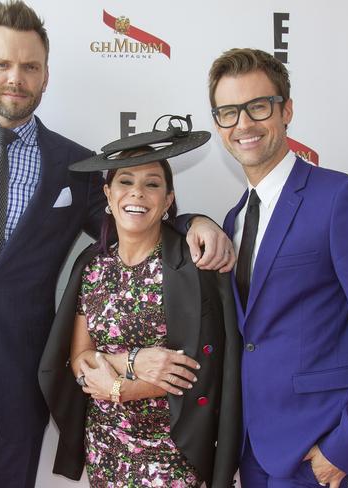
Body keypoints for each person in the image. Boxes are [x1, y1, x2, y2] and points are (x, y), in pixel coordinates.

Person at [0, 2, 233, 487]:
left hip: (16, 384)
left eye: (30, 67)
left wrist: (196, 220)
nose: (16, 77)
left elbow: (133, 220)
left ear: (46, 75)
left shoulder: (74, 166)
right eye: (3, 65)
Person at [208, 47, 348, 488]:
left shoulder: (341, 199)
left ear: (286, 111)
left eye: (257, 107)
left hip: (314, 452)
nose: (243, 124)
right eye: (228, 112)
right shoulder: (234, 219)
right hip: (249, 451)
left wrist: (345, 447)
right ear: (218, 124)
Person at [39, 118, 242, 487]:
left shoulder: (192, 263)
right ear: (108, 195)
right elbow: (78, 359)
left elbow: (201, 368)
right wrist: (131, 361)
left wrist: (118, 387)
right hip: (106, 450)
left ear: (167, 201)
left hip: (175, 454)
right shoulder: (92, 267)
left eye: (152, 184)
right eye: (126, 182)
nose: (137, 193)